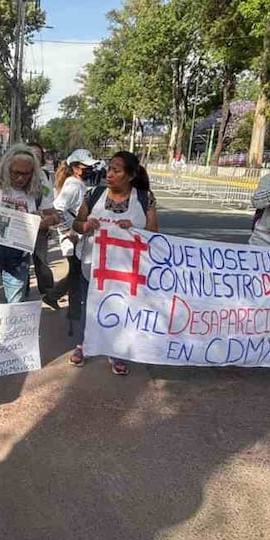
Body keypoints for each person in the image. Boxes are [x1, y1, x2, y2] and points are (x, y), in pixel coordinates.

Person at [71, 151, 158, 375]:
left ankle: (117, 352)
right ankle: (82, 346)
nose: (109, 174)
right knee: (87, 304)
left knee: (121, 306)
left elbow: (154, 234)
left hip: (126, 268)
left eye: (116, 170)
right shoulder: (94, 194)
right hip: (93, 264)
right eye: (109, 169)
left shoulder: (144, 198)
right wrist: (85, 226)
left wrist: (135, 230)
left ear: (130, 176)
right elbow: (77, 224)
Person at [0, 144, 59, 304]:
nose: (20, 178)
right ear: (7, 169)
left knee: (15, 310)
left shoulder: (39, 188)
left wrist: (42, 222)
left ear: (33, 173)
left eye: (26, 174)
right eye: (15, 173)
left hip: (19, 257)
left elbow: (54, 216)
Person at [41, 149, 97, 315]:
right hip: (73, 238)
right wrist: (67, 231)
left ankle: (67, 306)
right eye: (86, 166)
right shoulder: (74, 185)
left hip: (76, 237)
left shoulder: (76, 183)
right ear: (75, 168)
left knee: (76, 274)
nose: (90, 169)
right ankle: (72, 310)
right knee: (76, 275)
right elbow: (57, 208)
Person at [28, 142, 56, 296]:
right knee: (21, 263)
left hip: (40, 225)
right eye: (31, 153)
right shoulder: (15, 174)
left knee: (41, 261)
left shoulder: (44, 176)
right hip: (21, 226)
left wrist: (48, 220)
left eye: (38, 155)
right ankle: (22, 290)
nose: (35, 158)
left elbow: (49, 199)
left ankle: (49, 293)